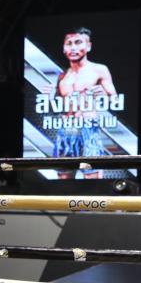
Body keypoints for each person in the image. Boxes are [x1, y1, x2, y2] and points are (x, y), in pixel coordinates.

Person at [49, 27, 117, 177]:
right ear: (64, 48)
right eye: (69, 43)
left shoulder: (99, 70)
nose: (73, 48)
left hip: (88, 129)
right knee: (63, 177)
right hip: (66, 131)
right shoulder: (62, 76)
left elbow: (115, 99)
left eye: (78, 42)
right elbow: (57, 108)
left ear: (88, 46)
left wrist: (104, 95)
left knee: (92, 176)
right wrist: (49, 97)